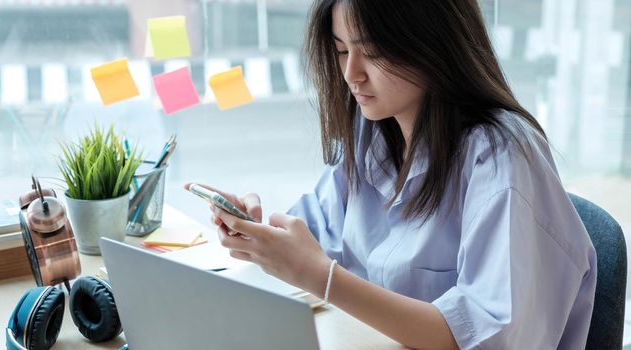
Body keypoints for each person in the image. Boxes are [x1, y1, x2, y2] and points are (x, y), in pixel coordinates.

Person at [185, 0, 596, 348]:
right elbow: (316, 238)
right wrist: (261, 235)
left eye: (373, 51)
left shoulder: (502, 155)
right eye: (342, 51)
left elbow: (482, 337)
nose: (351, 74)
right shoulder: (370, 133)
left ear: (433, 42)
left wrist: (320, 276)